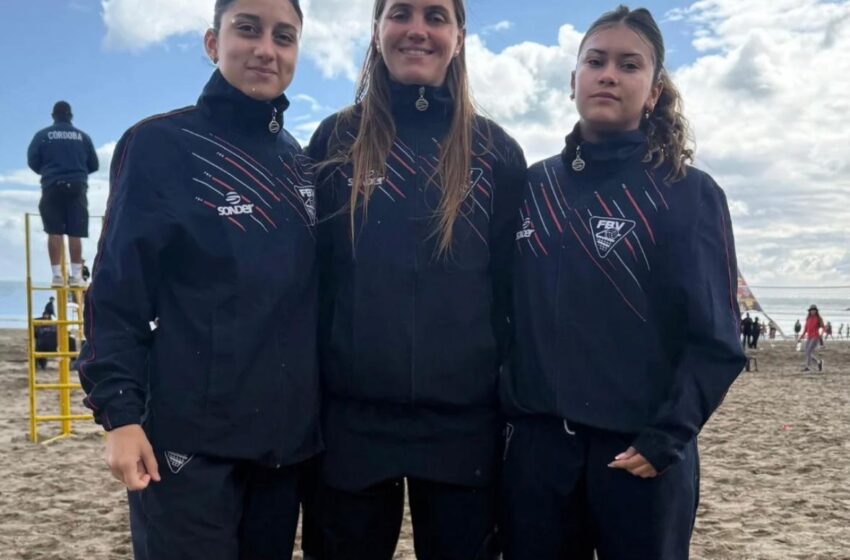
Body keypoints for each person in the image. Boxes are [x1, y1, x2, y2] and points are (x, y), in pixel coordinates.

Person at [500, 6, 746, 559]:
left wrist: (666, 438)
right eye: (596, 61)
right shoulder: (532, 186)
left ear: (653, 91)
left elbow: (717, 341)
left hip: (640, 458)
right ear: (572, 81)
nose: (609, 74)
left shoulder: (687, 193)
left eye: (629, 64)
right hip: (538, 458)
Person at [77, 1, 320, 558]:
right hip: (187, 448)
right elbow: (116, 292)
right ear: (213, 43)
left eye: (284, 37)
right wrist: (119, 414)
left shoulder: (299, 164)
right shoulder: (161, 144)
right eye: (248, 29)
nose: (266, 48)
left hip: (280, 452)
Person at [307, 0, 527, 557]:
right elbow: (313, 282)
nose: (417, 30)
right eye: (400, 13)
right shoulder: (336, 141)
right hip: (352, 421)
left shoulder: (495, 152)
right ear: (377, 30)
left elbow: (513, 294)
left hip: (464, 425)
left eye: (436, 16)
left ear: (459, 36)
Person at [27, 100, 99, 287]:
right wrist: (77, 172)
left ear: (53, 116)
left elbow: (33, 160)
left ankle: (57, 276)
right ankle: (76, 276)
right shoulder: (83, 137)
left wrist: (48, 172)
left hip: (52, 186)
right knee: (75, 232)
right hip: (77, 187)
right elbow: (94, 164)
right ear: (70, 116)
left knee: (54, 231)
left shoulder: (43, 135)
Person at [798, 305, 825, 372]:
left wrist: (821, 334)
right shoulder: (808, 319)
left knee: (808, 351)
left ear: (816, 311)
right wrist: (801, 337)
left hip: (815, 337)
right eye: (811, 310)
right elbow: (805, 329)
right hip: (809, 337)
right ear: (809, 311)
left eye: (814, 310)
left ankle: (808, 367)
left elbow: (824, 327)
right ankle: (818, 362)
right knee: (806, 353)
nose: (813, 311)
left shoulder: (818, 318)